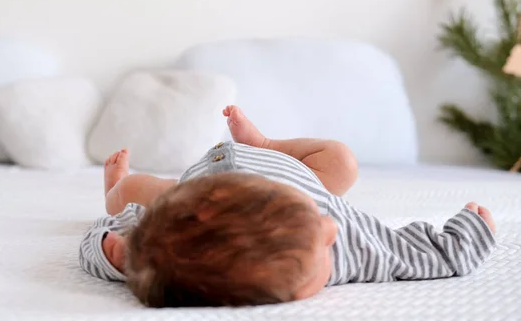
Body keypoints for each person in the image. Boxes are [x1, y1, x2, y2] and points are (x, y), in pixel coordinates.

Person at [79, 105, 496, 308]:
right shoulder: (345, 248)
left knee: (341, 161)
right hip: (197, 188)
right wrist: (465, 238)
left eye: (320, 225)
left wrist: (116, 252)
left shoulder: (154, 245)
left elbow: (99, 247)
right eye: (323, 250)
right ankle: (116, 186)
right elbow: (413, 252)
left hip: (281, 170)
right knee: (140, 188)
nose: (333, 228)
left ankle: (264, 144)